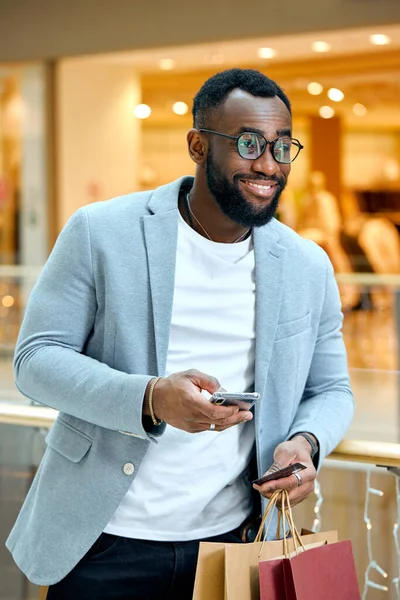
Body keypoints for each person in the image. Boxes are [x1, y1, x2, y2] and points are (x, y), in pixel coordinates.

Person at [6, 68, 354, 600]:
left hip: (234, 544)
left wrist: (306, 444)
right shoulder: (101, 231)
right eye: (247, 143)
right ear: (197, 144)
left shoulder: (307, 264)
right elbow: (36, 360)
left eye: (283, 147)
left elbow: (331, 389)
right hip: (103, 541)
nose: (268, 164)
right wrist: (150, 398)